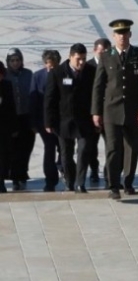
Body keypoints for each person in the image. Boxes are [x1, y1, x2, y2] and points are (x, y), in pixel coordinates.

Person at [92, 19, 138, 199]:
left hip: (133, 110)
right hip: (111, 110)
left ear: (130, 35)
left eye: (125, 33)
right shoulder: (106, 56)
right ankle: (113, 186)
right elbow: (98, 86)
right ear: (114, 36)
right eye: (119, 34)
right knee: (113, 148)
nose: (122, 37)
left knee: (132, 148)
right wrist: (96, 112)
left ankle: (128, 182)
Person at [44, 43, 96, 193]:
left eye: (84, 59)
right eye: (78, 59)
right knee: (66, 154)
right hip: (63, 121)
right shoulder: (57, 73)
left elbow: (97, 95)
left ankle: (81, 182)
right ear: (70, 57)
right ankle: (70, 180)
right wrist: (48, 121)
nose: (81, 62)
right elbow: (50, 98)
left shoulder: (91, 71)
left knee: (84, 151)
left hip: (84, 120)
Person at [31, 50, 63, 191]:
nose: (51, 69)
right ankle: (50, 180)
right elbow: (34, 100)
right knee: (49, 149)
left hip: (62, 121)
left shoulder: (65, 75)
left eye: (54, 66)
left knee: (64, 149)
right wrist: (34, 123)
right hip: (44, 122)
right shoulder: (37, 76)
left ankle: (64, 169)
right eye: (48, 66)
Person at [5, 48, 35, 191]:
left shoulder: (28, 74)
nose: (15, 63)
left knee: (26, 147)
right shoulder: (4, 76)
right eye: (12, 61)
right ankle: (15, 176)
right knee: (13, 149)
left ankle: (23, 172)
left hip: (26, 116)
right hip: (12, 118)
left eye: (17, 60)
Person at [86, 38, 111, 183]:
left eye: (106, 52)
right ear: (94, 50)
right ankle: (94, 170)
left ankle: (109, 172)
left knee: (111, 144)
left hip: (108, 112)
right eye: (101, 52)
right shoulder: (88, 66)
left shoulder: (113, 64)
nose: (103, 55)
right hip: (92, 113)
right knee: (91, 146)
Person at [0, 62, 18, 193]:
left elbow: (12, 107)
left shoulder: (6, 85)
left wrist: (14, 127)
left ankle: (1, 182)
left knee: (3, 156)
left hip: (4, 128)